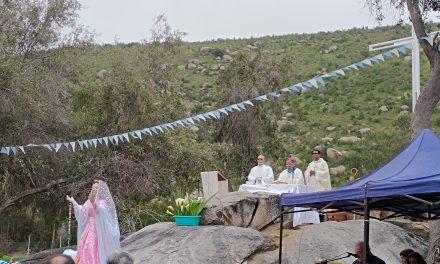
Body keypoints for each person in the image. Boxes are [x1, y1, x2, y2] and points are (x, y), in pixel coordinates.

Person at [66, 180, 120, 264]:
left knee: (93, 248)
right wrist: (73, 202)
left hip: (99, 232)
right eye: (93, 187)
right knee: (86, 248)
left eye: (96, 188)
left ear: (100, 190)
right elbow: (82, 211)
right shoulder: (89, 201)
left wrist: (93, 202)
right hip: (89, 230)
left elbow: (100, 210)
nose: (94, 189)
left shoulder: (103, 202)